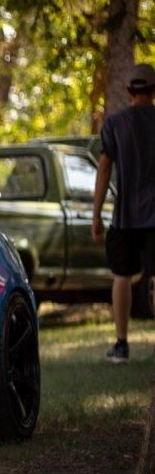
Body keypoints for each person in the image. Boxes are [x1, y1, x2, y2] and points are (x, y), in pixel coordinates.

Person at [92, 62, 155, 363]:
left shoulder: (115, 123)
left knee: (122, 277)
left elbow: (104, 167)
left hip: (125, 217)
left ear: (130, 90)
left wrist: (95, 216)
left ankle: (121, 344)